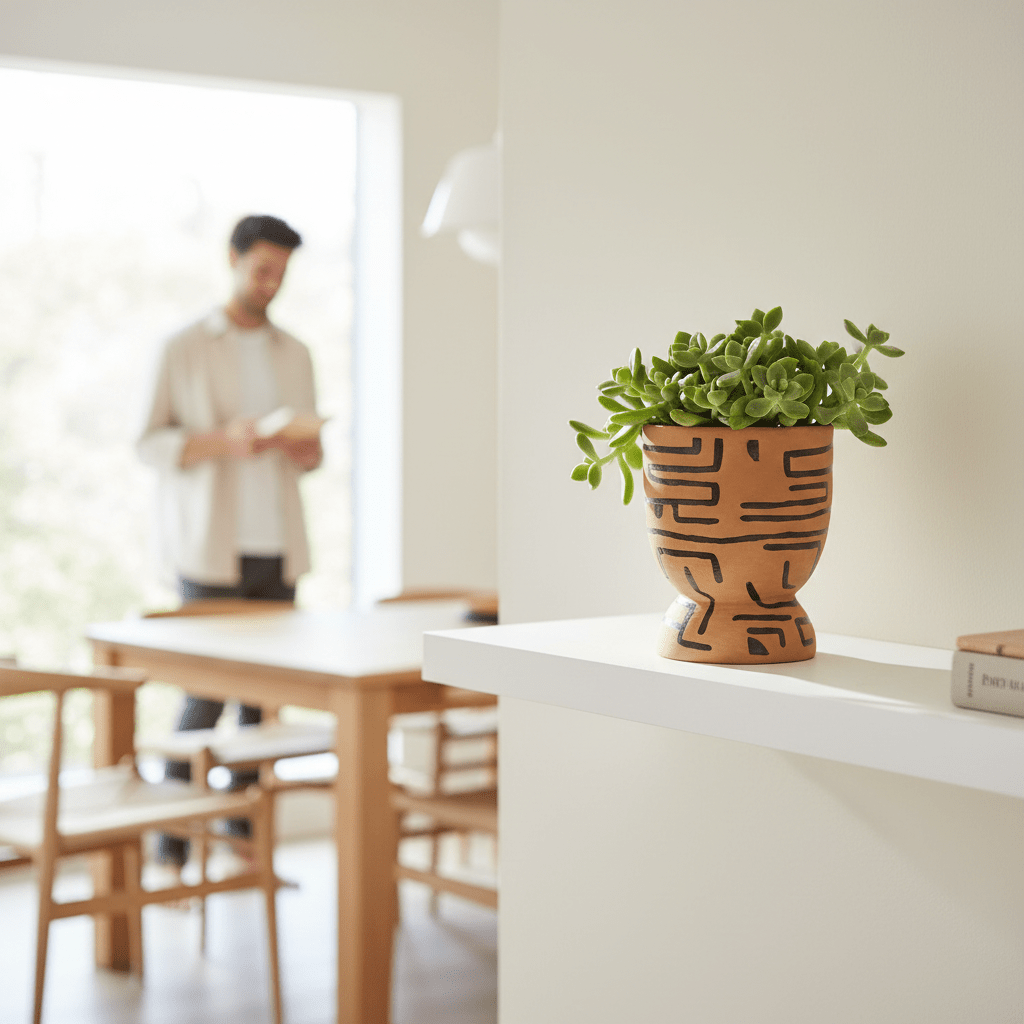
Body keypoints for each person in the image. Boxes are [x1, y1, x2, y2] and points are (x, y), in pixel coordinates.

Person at [137, 214, 322, 869]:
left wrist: (302, 446)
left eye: (281, 273)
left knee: (261, 702)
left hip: (276, 545)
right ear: (234, 261)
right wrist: (224, 441)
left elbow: (312, 457)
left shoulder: (294, 352)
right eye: (261, 270)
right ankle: (170, 838)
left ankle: (247, 837)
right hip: (210, 548)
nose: (271, 284)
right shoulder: (184, 346)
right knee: (203, 694)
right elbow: (149, 443)